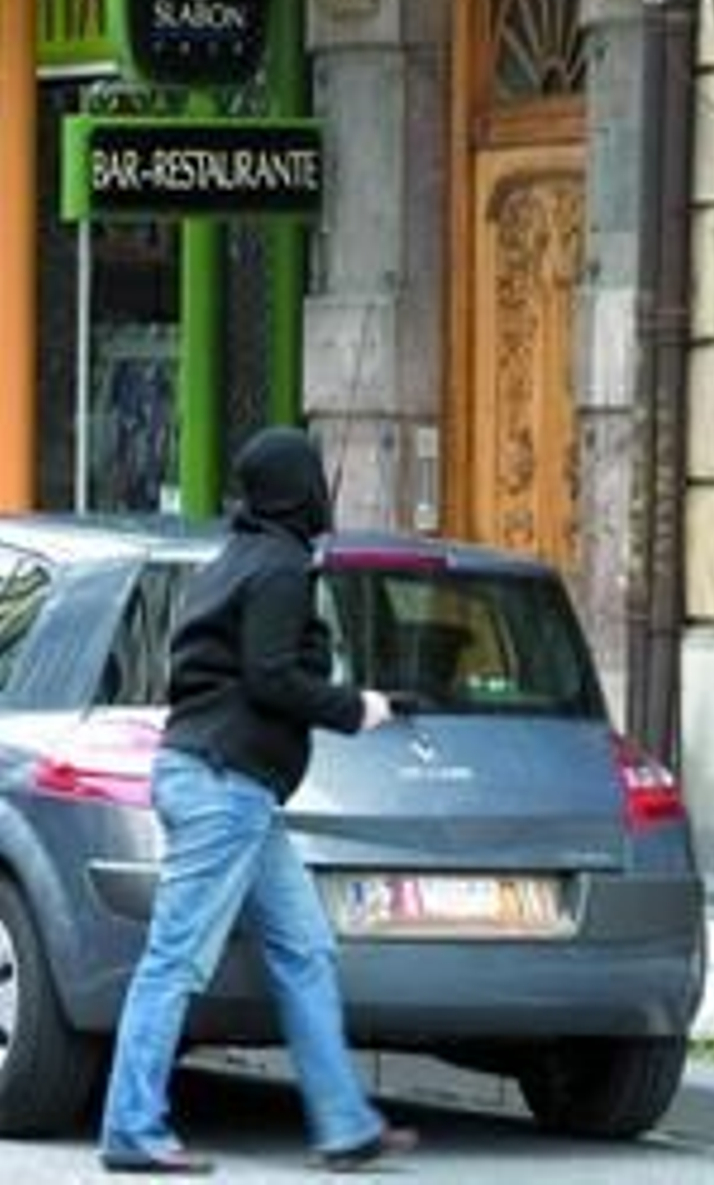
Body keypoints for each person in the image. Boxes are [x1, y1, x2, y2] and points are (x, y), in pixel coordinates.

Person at [99, 428, 416, 1175]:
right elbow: (271, 677)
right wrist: (355, 706)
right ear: (297, 489)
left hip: (224, 784)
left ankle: (344, 1125)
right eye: (314, 478)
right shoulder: (278, 568)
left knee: (304, 947)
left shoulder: (233, 559)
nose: (322, 491)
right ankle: (131, 1128)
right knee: (175, 960)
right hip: (224, 787)